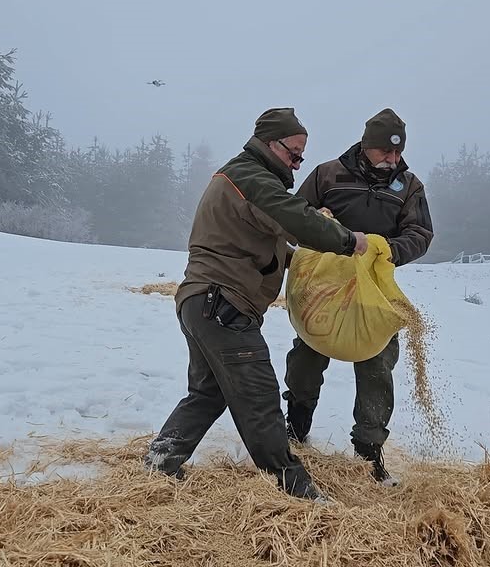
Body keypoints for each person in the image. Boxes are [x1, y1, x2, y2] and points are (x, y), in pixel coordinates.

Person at [145, 107, 369, 501]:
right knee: (260, 398)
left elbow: (266, 244)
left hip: (200, 302)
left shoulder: (240, 178)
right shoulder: (252, 179)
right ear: (270, 143)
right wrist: (349, 241)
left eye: (302, 156)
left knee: (208, 393)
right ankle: (296, 490)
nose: (298, 163)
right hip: (223, 304)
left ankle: (158, 465)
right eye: (293, 152)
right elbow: (295, 220)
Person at [282, 108, 434, 485]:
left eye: (397, 153)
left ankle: (369, 453)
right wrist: (320, 221)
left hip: (373, 292)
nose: (392, 160)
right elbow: (295, 217)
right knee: (306, 357)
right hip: (325, 287)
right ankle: (296, 429)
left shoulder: (409, 186)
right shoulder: (328, 174)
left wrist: (389, 251)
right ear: (367, 146)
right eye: (385, 152)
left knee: (378, 368)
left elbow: (420, 233)